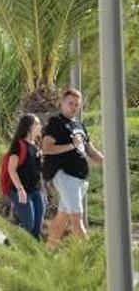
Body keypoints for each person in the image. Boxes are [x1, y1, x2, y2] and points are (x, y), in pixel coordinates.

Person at [42, 89, 103, 249]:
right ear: (61, 102)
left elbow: (90, 150)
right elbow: (46, 148)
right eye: (70, 103)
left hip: (80, 178)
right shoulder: (55, 122)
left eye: (76, 105)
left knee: (62, 218)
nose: (74, 107)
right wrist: (71, 145)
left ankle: (48, 253)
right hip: (64, 175)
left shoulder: (78, 124)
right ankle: (92, 259)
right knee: (77, 219)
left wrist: (108, 163)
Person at [6, 114, 45, 239]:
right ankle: (8, 245)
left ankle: (32, 255)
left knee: (37, 227)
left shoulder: (36, 146)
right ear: (29, 127)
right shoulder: (18, 145)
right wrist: (20, 190)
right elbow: (11, 170)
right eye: (37, 124)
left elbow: (38, 173)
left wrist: (43, 191)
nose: (40, 126)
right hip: (21, 191)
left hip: (37, 191)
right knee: (28, 224)